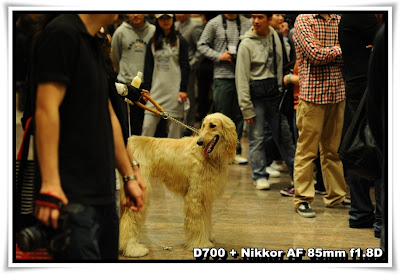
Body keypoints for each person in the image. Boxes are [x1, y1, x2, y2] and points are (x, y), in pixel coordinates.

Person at [32, 14, 146, 260]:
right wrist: (50, 183)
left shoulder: (93, 40)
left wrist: (129, 174)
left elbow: (108, 115)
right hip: (71, 193)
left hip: (102, 191)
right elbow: (45, 109)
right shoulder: (62, 33)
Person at [293, 14, 350, 218]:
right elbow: (314, 55)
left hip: (337, 93)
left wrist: (335, 51)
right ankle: (302, 200)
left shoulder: (338, 18)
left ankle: (336, 196)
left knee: (333, 151)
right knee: (307, 152)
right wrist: (339, 48)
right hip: (312, 96)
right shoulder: (304, 20)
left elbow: (350, 54)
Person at [235, 14, 296, 190]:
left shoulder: (275, 36)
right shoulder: (246, 43)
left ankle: (297, 176)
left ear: (268, 19)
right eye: (253, 17)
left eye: (260, 17)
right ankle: (259, 175)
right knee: (257, 138)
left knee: (285, 137)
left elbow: (281, 65)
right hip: (256, 97)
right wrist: (246, 107)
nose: (256, 21)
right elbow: (241, 77)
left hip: (275, 95)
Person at [338, 13, 382, 237]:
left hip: (358, 87)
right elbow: (384, 40)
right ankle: (380, 221)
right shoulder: (361, 14)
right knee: (376, 151)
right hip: (366, 89)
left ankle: (361, 214)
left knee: (361, 147)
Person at [197, 14, 251, 165]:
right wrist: (219, 56)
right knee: (220, 117)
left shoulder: (247, 23)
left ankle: (236, 152)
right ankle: (216, 153)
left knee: (239, 116)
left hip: (242, 76)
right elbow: (201, 45)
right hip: (221, 76)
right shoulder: (214, 23)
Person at [141, 14, 190, 139]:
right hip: (155, 92)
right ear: (157, 21)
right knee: (147, 128)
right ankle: (141, 158)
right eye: (161, 18)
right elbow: (148, 68)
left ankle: (173, 159)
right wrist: (146, 89)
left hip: (175, 93)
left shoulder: (181, 41)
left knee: (174, 134)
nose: (165, 21)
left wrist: (183, 89)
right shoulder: (151, 41)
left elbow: (185, 67)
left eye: (167, 18)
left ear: (172, 19)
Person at [111, 14, 156, 138]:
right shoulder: (120, 32)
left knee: (146, 127)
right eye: (132, 11)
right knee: (126, 126)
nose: (135, 15)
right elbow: (115, 58)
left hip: (146, 86)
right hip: (125, 85)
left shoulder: (153, 30)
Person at [174, 14, 203, 136]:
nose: (178, 14)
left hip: (188, 69)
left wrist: (191, 65)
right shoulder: (175, 26)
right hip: (174, 69)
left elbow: (200, 49)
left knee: (188, 97)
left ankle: (189, 127)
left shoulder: (194, 28)